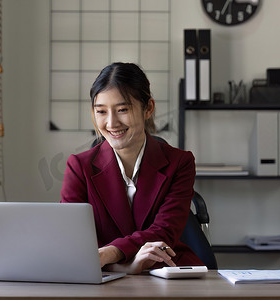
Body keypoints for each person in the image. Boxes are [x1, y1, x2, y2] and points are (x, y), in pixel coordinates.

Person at [61, 62, 204, 274]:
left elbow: (164, 231)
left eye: (122, 110)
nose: (111, 123)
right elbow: (72, 240)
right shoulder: (78, 166)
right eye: (101, 111)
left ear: (148, 109)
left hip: (165, 270)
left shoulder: (180, 163)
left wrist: (111, 253)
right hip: (101, 274)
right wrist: (127, 267)